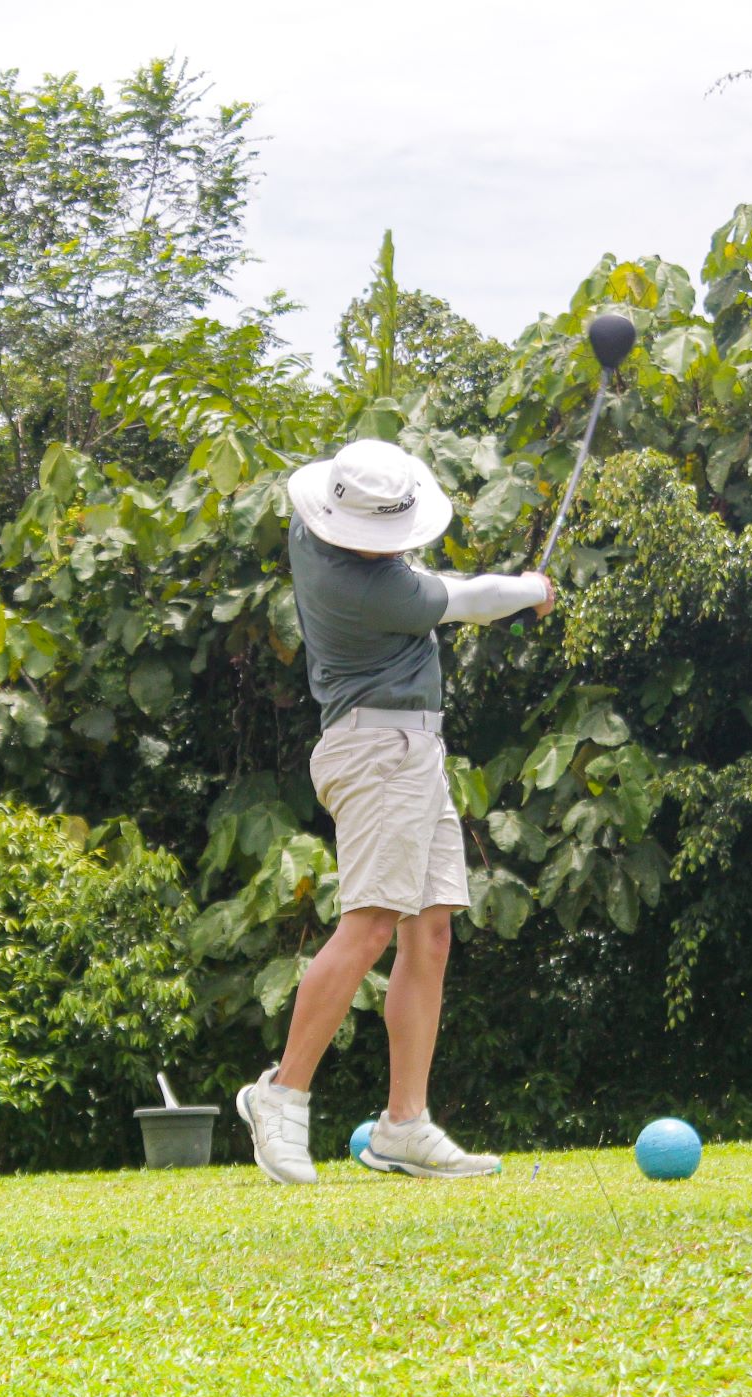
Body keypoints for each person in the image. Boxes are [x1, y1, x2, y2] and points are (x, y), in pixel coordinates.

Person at [235, 439, 553, 1184]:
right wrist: (531, 586)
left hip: (411, 752)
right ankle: (279, 1094)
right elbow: (470, 599)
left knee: (431, 927)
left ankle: (403, 1123)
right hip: (378, 753)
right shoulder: (377, 593)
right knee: (372, 921)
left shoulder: (309, 528)